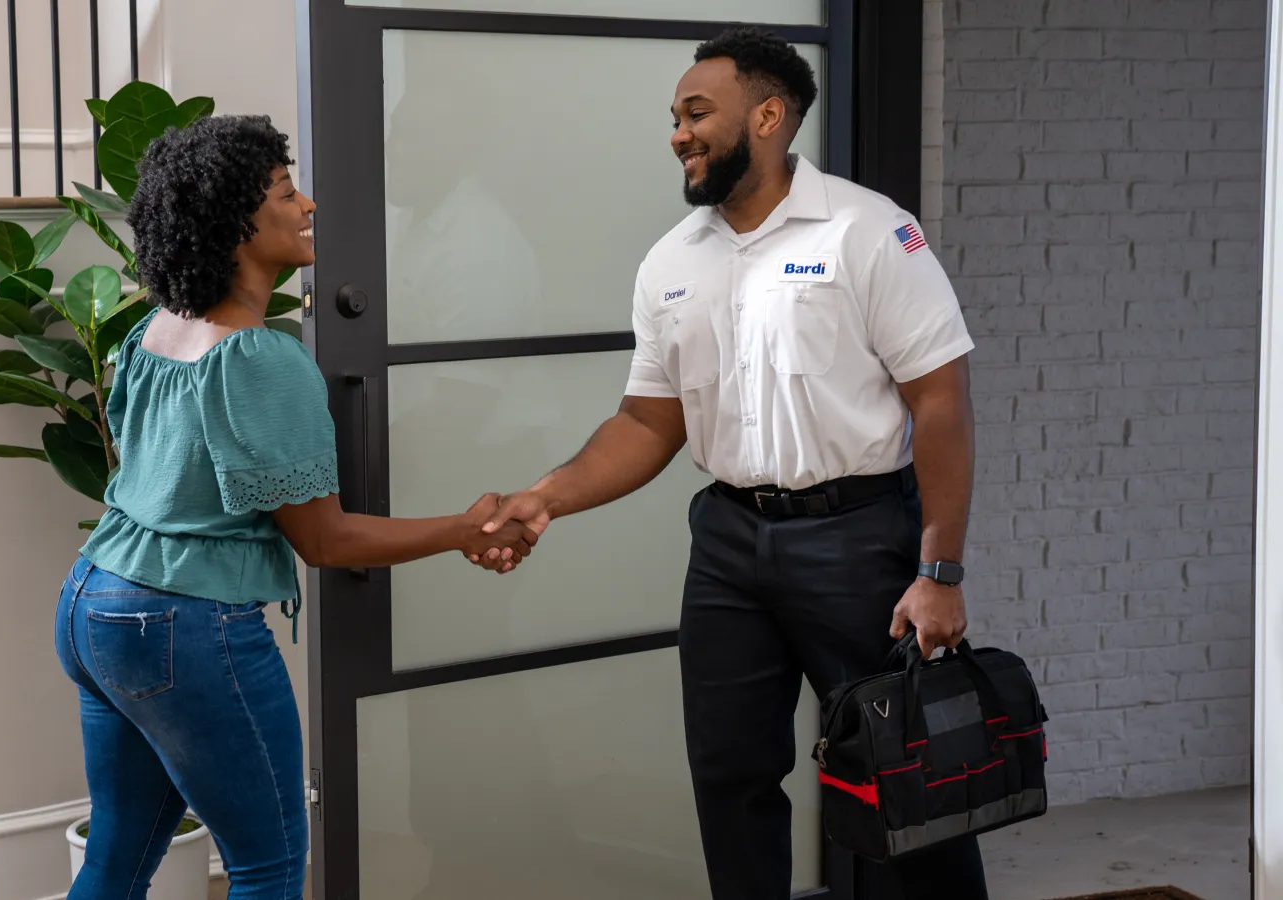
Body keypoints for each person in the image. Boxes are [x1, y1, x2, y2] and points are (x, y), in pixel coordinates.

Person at [470, 27, 987, 900]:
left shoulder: (870, 230)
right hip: (728, 547)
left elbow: (940, 401)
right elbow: (646, 421)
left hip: (857, 537)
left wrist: (938, 568)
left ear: (770, 116)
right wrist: (545, 496)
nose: (678, 131)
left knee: (901, 770)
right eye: (674, 116)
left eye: (697, 111)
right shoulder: (671, 262)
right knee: (729, 776)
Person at [54, 114, 536, 900]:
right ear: (232, 221)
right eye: (285, 192)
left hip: (93, 603)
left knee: (116, 856)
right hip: (186, 625)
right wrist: (462, 528)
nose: (309, 205)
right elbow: (326, 539)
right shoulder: (259, 358)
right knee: (270, 866)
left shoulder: (152, 333)